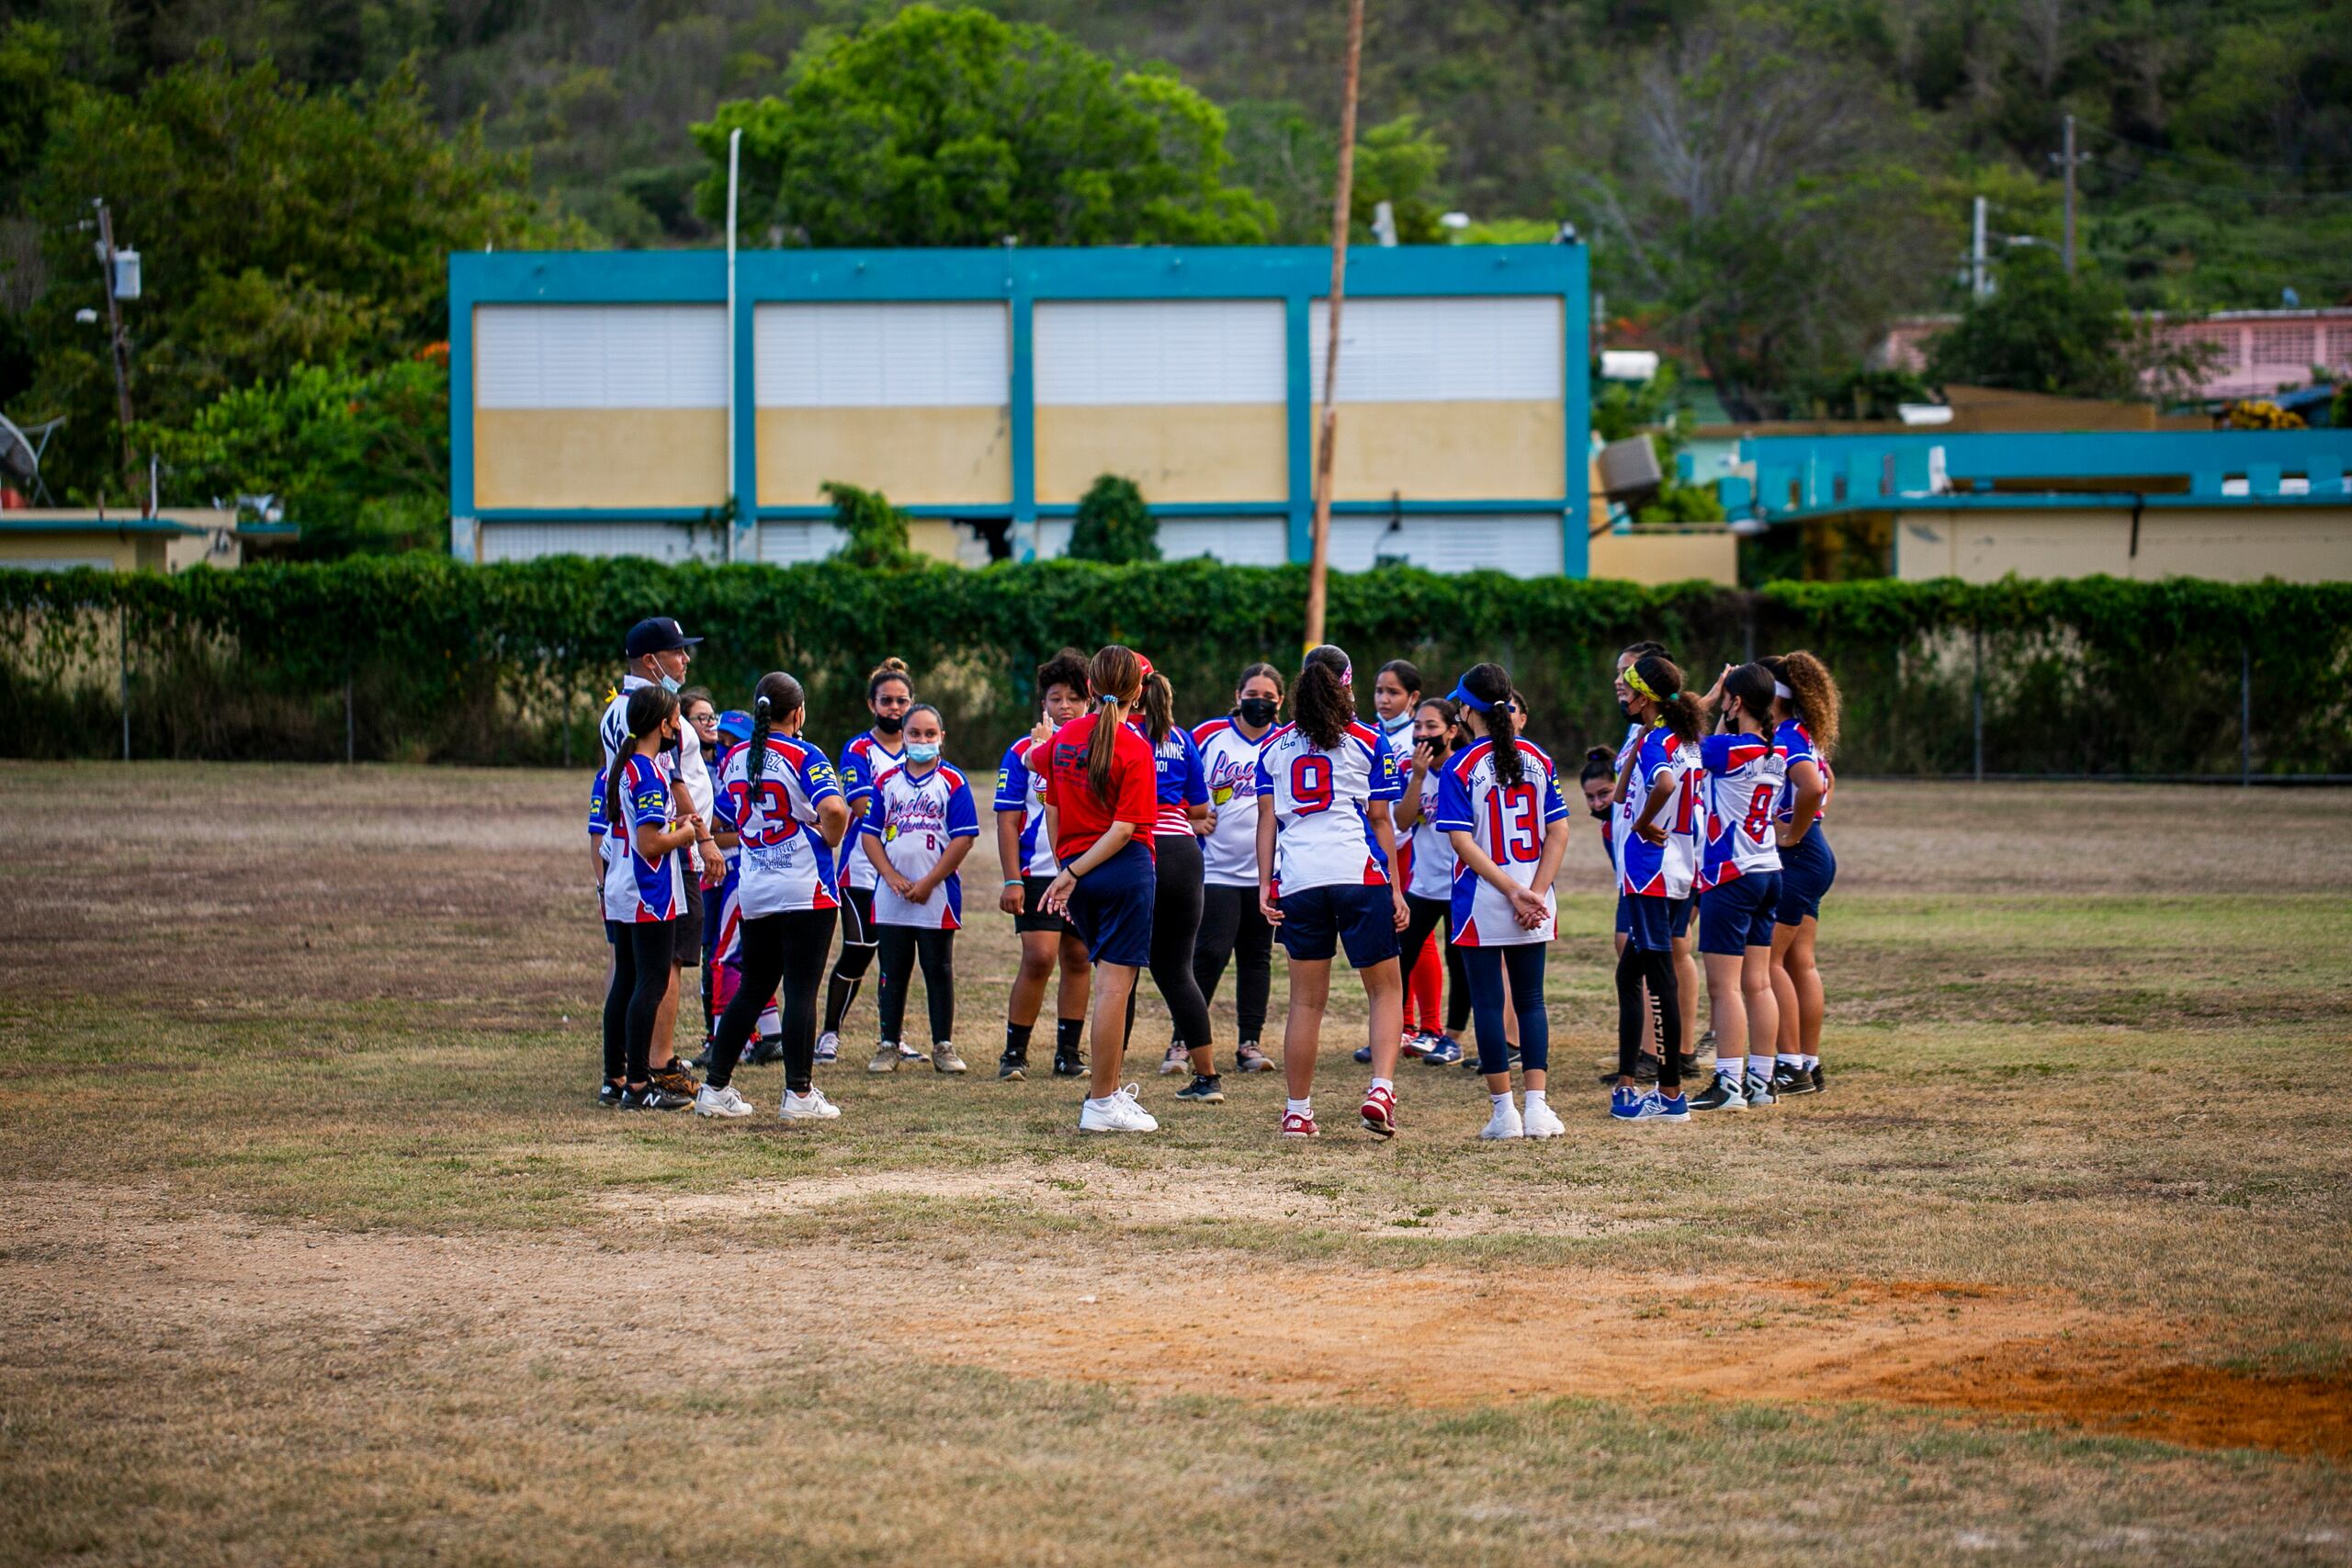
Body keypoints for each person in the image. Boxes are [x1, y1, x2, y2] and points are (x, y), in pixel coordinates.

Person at [1256, 645, 1408, 1139]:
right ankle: (1380, 1089)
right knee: (1384, 990)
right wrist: (1397, 889)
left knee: (1305, 1004)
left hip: (1299, 879)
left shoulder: (1273, 747)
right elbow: (1381, 821)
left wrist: (1265, 884)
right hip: (1358, 873)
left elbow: (1266, 822)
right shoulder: (1368, 739)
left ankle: (1297, 1111)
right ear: (1346, 684)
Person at [699, 671, 854, 1122]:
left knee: (754, 987)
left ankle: (715, 1087)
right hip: (805, 887)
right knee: (802, 990)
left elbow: (719, 821)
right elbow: (834, 808)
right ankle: (799, 1094)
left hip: (756, 887)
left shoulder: (734, 759)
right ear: (799, 712)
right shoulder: (805, 754)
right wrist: (829, 836)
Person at [1434, 662, 1572, 1140]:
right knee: (1531, 1001)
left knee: (1489, 1005)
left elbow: (1461, 841)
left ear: (1468, 711)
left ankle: (1504, 1113)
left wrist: (1511, 891)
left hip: (1483, 898)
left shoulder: (1460, 765)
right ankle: (1537, 1106)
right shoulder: (1539, 757)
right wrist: (1533, 891)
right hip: (1534, 895)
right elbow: (1559, 832)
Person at [1038, 645, 1162, 1134]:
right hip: (1120, 872)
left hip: (1083, 875)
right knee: (1114, 992)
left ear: (1089, 689)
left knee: (1107, 988)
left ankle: (1106, 1097)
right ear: (1139, 693)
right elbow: (1125, 829)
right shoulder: (1135, 748)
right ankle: (1103, 1101)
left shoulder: (1068, 734)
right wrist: (1071, 873)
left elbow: (1036, 764)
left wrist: (1068, 867)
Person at [598, 617, 721, 1100]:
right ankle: (653, 1070)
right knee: (661, 969)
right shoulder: (653, 742)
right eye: (677, 651)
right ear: (651, 660)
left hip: (624, 863)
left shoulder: (618, 711)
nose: (685, 659)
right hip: (656, 871)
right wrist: (699, 836)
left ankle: (619, 1073)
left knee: (629, 973)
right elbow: (672, 793)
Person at [1687, 663, 1787, 1112]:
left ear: (1736, 701)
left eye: (1728, 695)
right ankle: (1762, 1083)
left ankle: (1728, 1082)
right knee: (1758, 984)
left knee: (1724, 988)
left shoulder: (1729, 749)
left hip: (1732, 874)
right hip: (1769, 870)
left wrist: (1706, 699)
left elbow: (1677, 733)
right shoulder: (1776, 753)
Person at [860, 704, 980, 1076]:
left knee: (937, 968)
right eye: (915, 734)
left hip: (937, 894)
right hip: (892, 893)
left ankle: (943, 1045)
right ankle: (888, 1044)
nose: (922, 740)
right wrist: (891, 877)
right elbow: (869, 835)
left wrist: (930, 882)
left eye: (930, 734)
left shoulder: (953, 782)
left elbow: (963, 840)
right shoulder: (886, 782)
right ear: (904, 737)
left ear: (942, 738)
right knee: (892, 969)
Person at [1610, 652, 1704, 1122]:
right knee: (1629, 975)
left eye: (1626, 681)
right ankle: (1628, 1083)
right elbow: (1623, 790)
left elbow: (1663, 786)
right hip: (1677, 870)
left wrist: (1644, 825)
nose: (1618, 686)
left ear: (1645, 693)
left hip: (1652, 872)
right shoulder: (1673, 737)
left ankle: (1670, 1095)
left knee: (1659, 974)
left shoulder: (1660, 744)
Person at [993, 649, 1094, 1081]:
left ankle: (1067, 1053)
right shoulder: (1021, 751)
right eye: (1056, 698)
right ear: (1043, 704)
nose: (1065, 706)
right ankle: (1014, 1053)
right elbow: (1006, 818)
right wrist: (1012, 878)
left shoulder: (1099, 747)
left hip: (1088, 869)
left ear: (1090, 702)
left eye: (1074, 697)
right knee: (1039, 957)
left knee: (1079, 958)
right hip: (1038, 872)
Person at [602, 684, 701, 1111]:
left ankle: (615, 1078)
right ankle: (640, 1086)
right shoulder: (649, 771)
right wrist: (687, 833)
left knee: (626, 979)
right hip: (649, 891)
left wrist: (672, 822)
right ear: (662, 725)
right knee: (651, 982)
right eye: (676, 718)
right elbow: (650, 844)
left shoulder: (626, 767)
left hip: (623, 885)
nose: (679, 726)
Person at [820, 658, 916, 1066]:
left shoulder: (921, 744)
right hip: (862, 869)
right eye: (887, 701)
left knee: (898, 957)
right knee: (860, 948)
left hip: (912, 870)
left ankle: (891, 1039)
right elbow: (860, 805)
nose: (895, 708)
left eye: (902, 701)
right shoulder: (858, 749)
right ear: (871, 705)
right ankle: (829, 1034)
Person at [1134, 671, 1223, 1102]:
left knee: (1119, 969)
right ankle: (1207, 1078)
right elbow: (1201, 806)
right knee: (1178, 971)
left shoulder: (1122, 734)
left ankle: (1107, 1082)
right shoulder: (1181, 738)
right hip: (1185, 853)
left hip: (1139, 849)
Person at [1190, 664, 1283, 1076]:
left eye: (1268, 696)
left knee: (1256, 957)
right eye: (1252, 693)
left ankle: (1250, 1042)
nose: (1259, 702)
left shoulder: (1287, 740)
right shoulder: (1208, 736)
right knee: (1209, 953)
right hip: (1215, 868)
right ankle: (1184, 1039)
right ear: (1237, 694)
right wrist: (1190, 820)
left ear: (1280, 702)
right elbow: (1175, 785)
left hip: (1267, 872)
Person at [1762, 650, 1840, 1098]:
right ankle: (1808, 1061)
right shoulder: (1804, 731)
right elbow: (1825, 779)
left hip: (1799, 855)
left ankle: (1791, 1068)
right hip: (1814, 854)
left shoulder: (1788, 734)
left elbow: (1812, 785)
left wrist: (1792, 831)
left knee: (1768, 961)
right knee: (1798, 962)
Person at [1391, 696, 1472, 1068]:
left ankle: (1451, 1039)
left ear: (1452, 731)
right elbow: (1403, 821)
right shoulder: (1415, 770)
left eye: (1432, 727)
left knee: (1461, 964)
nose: (1423, 734)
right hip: (1423, 885)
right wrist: (1418, 777)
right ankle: (1395, 1032)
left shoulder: (1467, 769)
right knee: (1397, 956)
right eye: (1419, 727)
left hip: (1461, 886)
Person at [704, 708, 785, 1070]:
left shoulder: (745, 771)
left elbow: (713, 827)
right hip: (759, 871)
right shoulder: (746, 769)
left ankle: (724, 1039)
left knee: (723, 957)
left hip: (746, 872)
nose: (725, 749)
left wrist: (709, 835)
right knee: (756, 958)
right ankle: (771, 1034)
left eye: (732, 742)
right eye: (720, 742)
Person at [1372, 660, 1444, 1057]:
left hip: (1408, 844)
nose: (1384, 699)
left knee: (1418, 933)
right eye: (1380, 691)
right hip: (1379, 844)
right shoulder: (1370, 735)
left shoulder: (1417, 738)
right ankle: (1401, 1024)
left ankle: (1430, 1025)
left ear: (1413, 698)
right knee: (1392, 936)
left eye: (1393, 692)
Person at [679, 688, 725, 1062]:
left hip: (737, 867)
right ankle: (714, 1037)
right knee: (710, 950)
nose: (711, 724)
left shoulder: (732, 757)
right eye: (701, 718)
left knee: (733, 950)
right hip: (702, 864)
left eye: (713, 717)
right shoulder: (685, 768)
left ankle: (751, 1034)